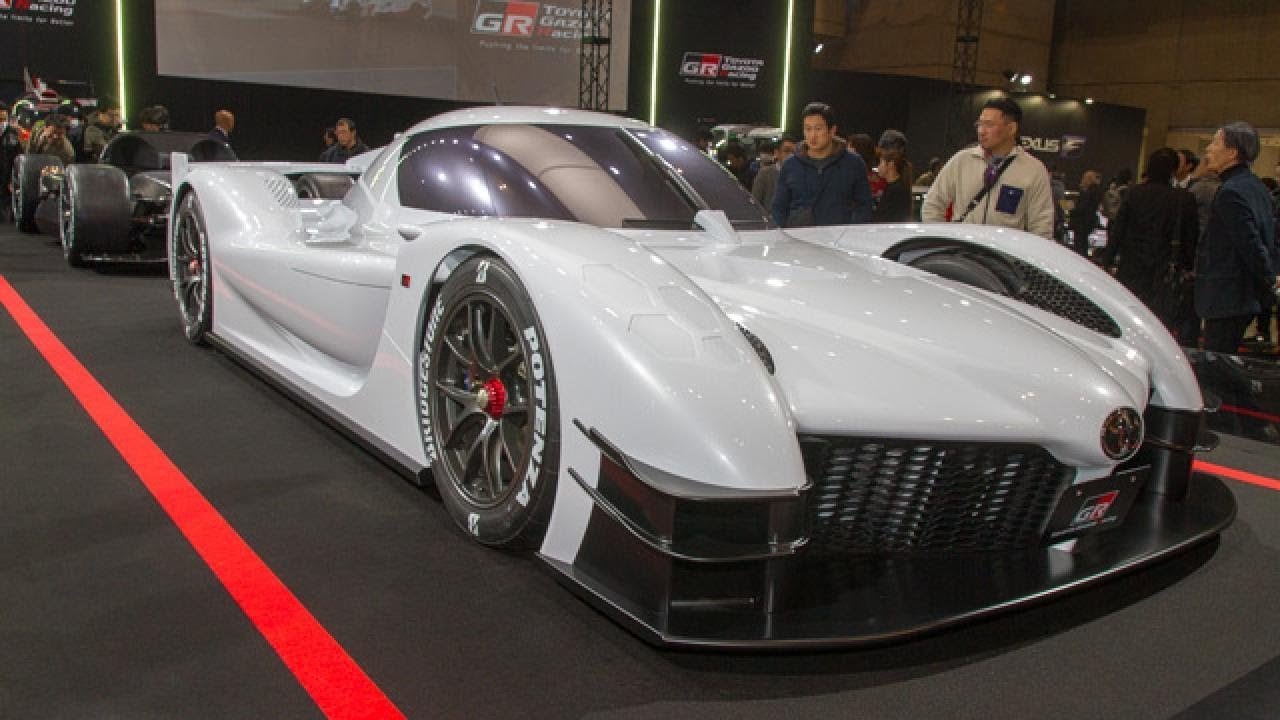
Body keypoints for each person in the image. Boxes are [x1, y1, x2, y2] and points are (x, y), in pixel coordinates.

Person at [1195, 122, 1278, 353]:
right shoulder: (1257, 188)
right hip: (1245, 296)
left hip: (1228, 297)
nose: (1208, 150)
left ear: (1232, 153)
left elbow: (1250, 244)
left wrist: (1270, 279)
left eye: (1215, 142)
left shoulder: (1231, 191)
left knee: (1218, 365)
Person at [921, 96, 1055, 238]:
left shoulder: (1033, 170)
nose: (981, 131)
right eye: (980, 124)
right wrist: (943, 243)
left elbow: (1042, 227)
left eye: (989, 125)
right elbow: (932, 205)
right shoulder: (962, 160)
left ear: (1011, 129)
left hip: (1003, 257)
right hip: (961, 254)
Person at [1098, 148, 1199, 333]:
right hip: (1164, 273)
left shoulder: (1134, 194)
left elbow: (1117, 232)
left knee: (1128, 323)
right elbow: (1190, 239)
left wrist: (1107, 261)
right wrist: (1187, 267)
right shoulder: (1183, 199)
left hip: (1131, 269)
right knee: (1160, 327)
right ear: (1173, 169)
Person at [771, 102, 872, 228]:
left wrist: (851, 234)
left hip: (839, 241)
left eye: (818, 129)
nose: (812, 135)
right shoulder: (790, 165)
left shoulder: (853, 163)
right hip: (798, 239)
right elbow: (779, 207)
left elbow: (864, 206)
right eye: (808, 129)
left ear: (832, 130)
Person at [872, 129, 914, 222]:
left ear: (890, 164)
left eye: (880, 162)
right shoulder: (896, 187)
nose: (878, 166)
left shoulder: (896, 190)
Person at [751, 134, 795, 210]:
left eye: (794, 152)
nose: (791, 155)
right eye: (786, 151)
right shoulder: (765, 174)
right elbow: (755, 203)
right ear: (777, 153)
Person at [1067, 170, 1103, 257]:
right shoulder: (1096, 191)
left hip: (1082, 222)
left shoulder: (1089, 192)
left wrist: (1072, 208)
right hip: (1088, 222)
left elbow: (1082, 208)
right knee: (1083, 243)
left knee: (1079, 245)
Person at [0, 107, 23, 221]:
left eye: (4, 119)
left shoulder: (13, 134)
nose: (2, 122)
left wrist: (12, 179)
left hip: (7, 174)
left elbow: (18, 157)